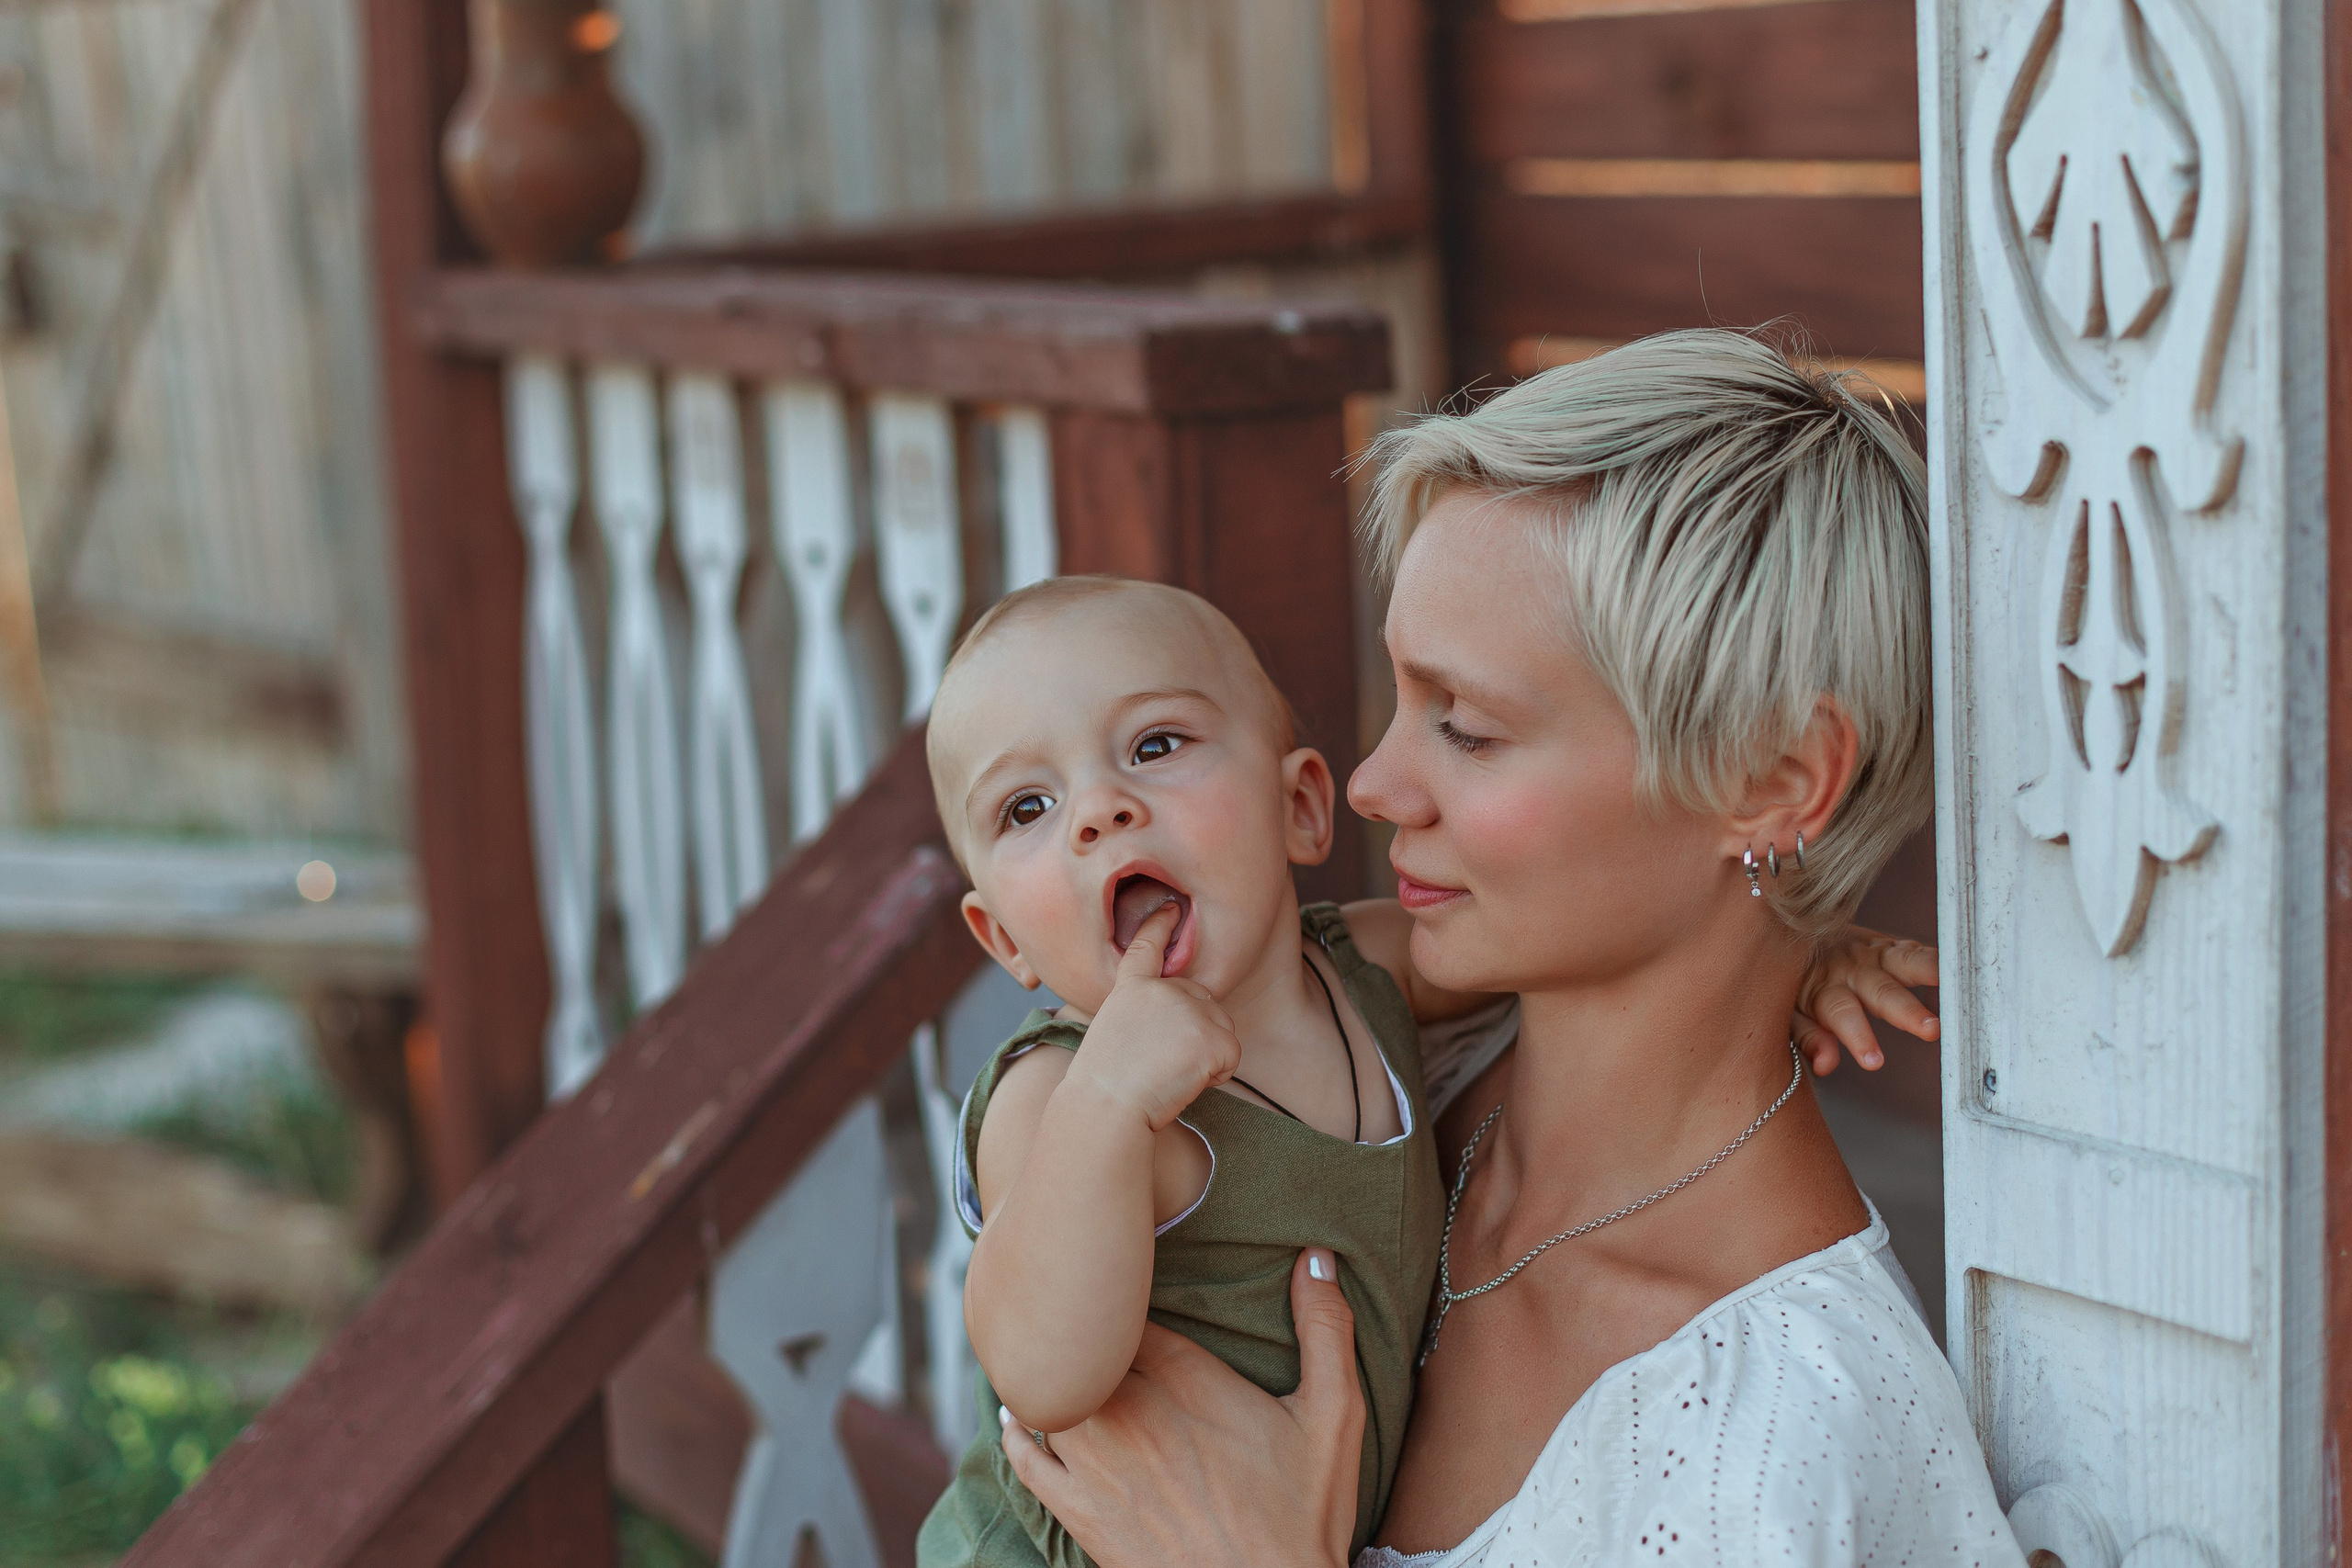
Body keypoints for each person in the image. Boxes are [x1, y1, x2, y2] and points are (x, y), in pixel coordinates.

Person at [986, 332, 2028, 1565]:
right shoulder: (1372, 1064)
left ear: (1773, 782)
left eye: (1467, 729)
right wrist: (1791, 946)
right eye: (1398, 701)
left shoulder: (1772, 1446)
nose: (1371, 784)